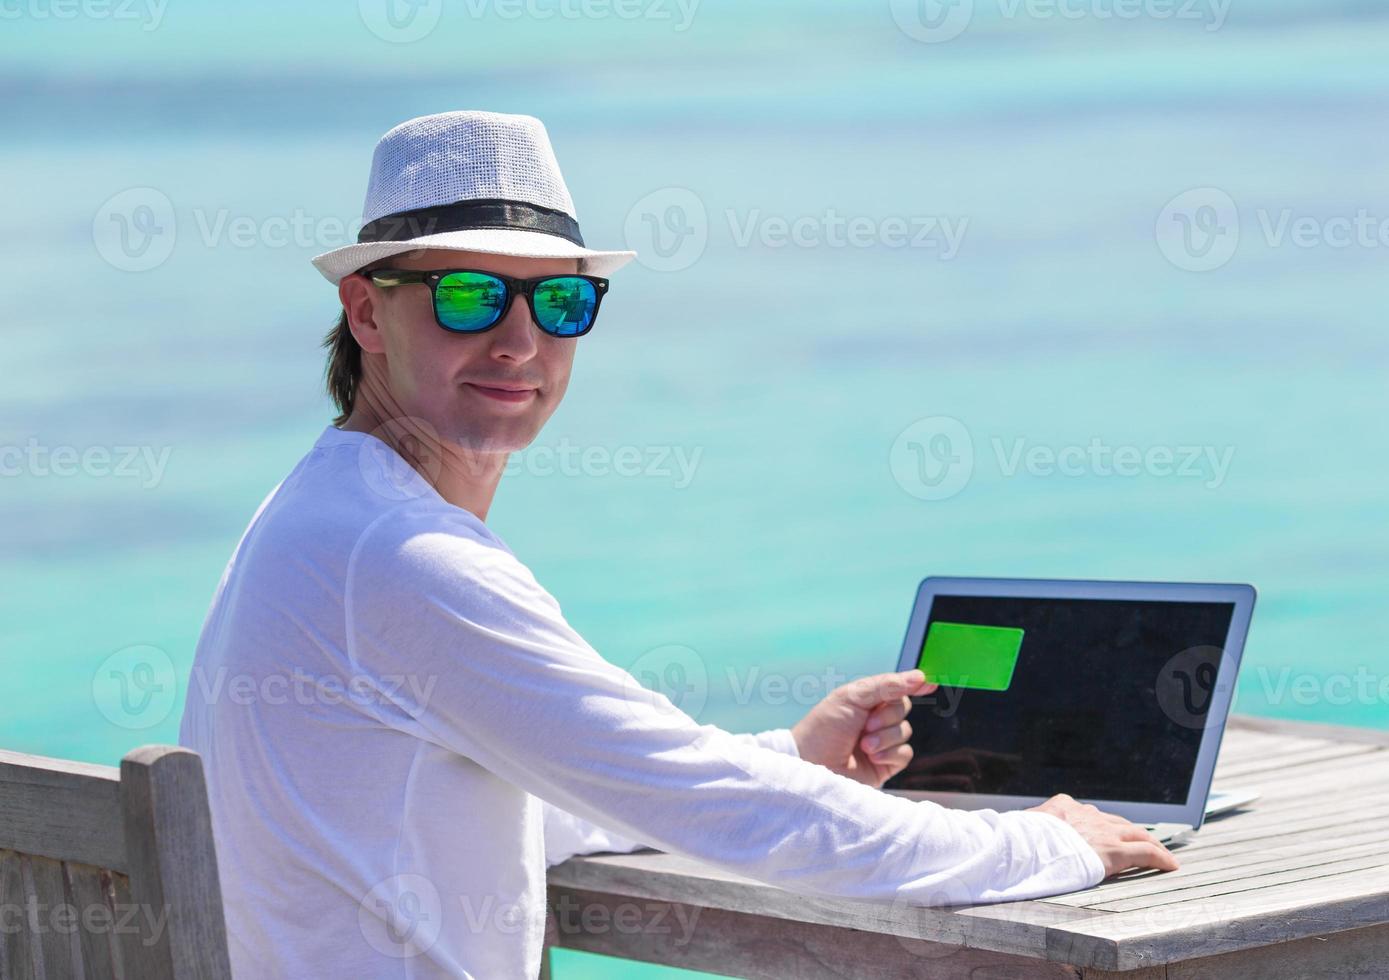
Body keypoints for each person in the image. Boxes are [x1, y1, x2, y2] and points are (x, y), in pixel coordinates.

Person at [178, 110, 1177, 980]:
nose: (520, 341)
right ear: (367, 312)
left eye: (559, 301)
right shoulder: (400, 555)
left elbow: (545, 790)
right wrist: (1044, 845)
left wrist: (794, 752)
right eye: (471, 295)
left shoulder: (318, 515)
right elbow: (725, 810)